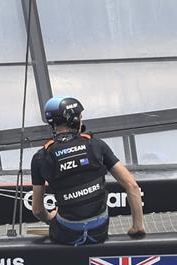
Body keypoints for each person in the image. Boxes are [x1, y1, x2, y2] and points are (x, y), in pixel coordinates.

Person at [30, 96, 146, 245]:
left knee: (57, 215)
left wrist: (50, 218)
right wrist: (138, 226)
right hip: (99, 231)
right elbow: (132, 186)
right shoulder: (96, 145)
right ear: (74, 120)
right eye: (80, 117)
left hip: (67, 234)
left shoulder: (40, 157)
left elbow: (38, 210)